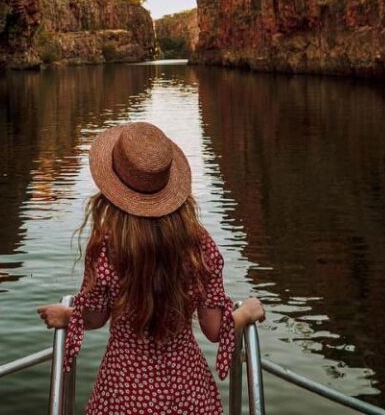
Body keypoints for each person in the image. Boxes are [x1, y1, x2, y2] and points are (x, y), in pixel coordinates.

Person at [37, 121, 265, 415]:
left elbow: (94, 317)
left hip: (124, 393)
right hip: (188, 392)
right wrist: (246, 312)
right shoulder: (198, 245)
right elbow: (214, 329)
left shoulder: (107, 245)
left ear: (113, 187)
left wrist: (70, 315)